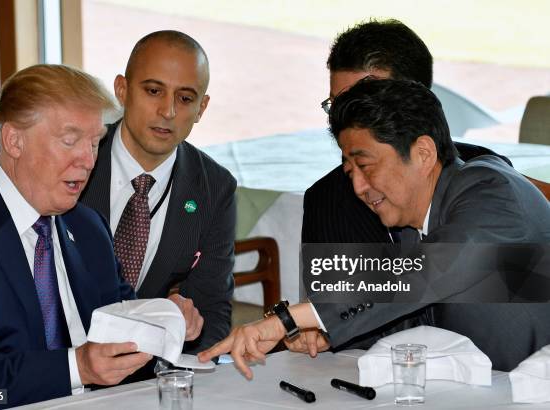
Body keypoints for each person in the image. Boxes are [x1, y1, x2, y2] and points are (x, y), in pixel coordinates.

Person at [199, 79, 550, 377]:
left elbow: (426, 274)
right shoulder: (416, 225)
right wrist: (331, 333)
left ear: (424, 154)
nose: (358, 187)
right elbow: (420, 315)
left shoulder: (491, 192)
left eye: (366, 166)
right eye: (350, 171)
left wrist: (288, 319)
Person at [0, 65, 154, 406]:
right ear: (14, 140)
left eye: (96, 143)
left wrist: (162, 322)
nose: (88, 160)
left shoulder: (88, 227)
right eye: (70, 141)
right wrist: (77, 367)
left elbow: (119, 318)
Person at [80, 30, 236, 354]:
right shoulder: (78, 157)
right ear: (122, 90)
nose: (168, 111)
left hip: (149, 374)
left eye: (185, 98)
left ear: (202, 108)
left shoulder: (214, 188)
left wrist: (185, 328)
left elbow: (212, 312)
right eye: (153, 90)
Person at [303, 19, 511, 245]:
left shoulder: (485, 177)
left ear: (414, 100)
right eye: (337, 104)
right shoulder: (326, 202)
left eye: (366, 103)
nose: (345, 120)